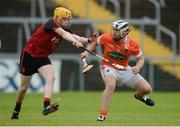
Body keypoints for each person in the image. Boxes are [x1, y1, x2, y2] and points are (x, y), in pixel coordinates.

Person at [11, 7, 92, 119]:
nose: (67, 21)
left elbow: (77, 37)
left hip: (42, 58)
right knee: (24, 88)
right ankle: (16, 109)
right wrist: (74, 42)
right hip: (29, 56)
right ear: (57, 18)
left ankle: (46, 106)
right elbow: (64, 35)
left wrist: (89, 40)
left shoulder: (65, 29)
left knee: (51, 77)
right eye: (65, 19)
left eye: (68, 19)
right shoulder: (50, 23)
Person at [80, 20, 155, 121]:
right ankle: (102, 115)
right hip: (108, 67)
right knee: (110, 85)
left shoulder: (132, 44)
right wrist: (86, 52)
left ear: (124, 32)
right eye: (114, 29)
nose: (114, 32)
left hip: (124, 69)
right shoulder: (106, 37)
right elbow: (94, 43)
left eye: (117, 30)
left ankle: (139, 96)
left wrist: (138, 67)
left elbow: (141, 59)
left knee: (147, 89)